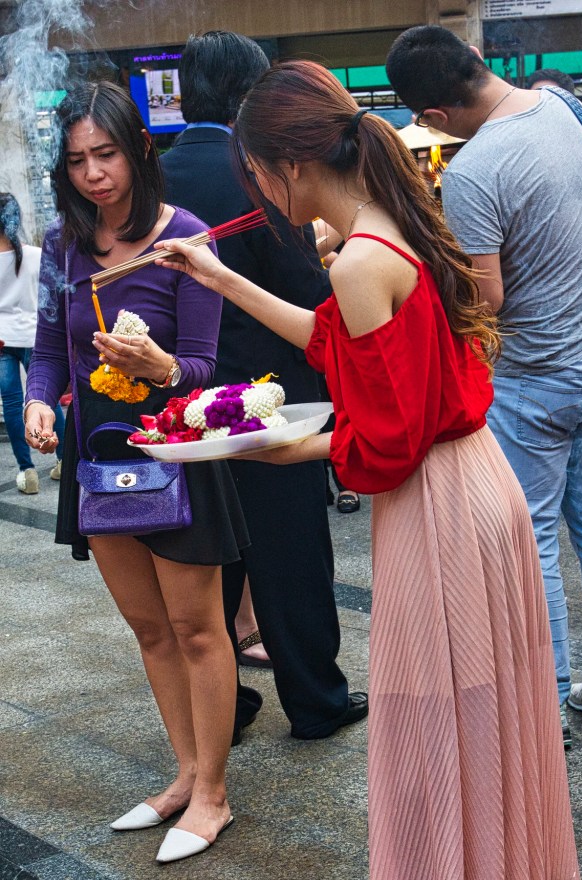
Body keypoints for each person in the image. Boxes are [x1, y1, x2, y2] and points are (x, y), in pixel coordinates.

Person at [156, 58, 582, 880]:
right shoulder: (390, 232)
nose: (258, 194)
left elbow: (382, 443)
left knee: (427, 721)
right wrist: (220, 280)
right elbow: (341, 344)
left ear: (284, 169)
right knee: (483, 711)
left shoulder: (356, 259)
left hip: (433, 502)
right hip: (479, 485)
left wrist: (275, 448)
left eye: (255, 177)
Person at [24, 81, 249, 865]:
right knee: (150, 630)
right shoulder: (62, 243)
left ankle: (215, 794)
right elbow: (52, 345)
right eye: (79, 159)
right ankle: (184, 775)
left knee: (196, 628)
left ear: (140, 149)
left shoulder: (185, 236)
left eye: (107, 154)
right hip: (100, 458)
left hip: (175, 456)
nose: (93, 174)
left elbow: (203, 368)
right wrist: (38, 403)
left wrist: (159, 367)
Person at [386, 26, 582, 745]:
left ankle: (542, 707)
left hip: (532, 381)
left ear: (430, 114)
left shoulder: (474, 171)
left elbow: (483, 298)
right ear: (478, 66)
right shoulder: (569, 112)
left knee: (533, 547)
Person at [160, 31, 367, 743]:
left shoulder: (151, 178)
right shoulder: (259, 171)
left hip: (181, 403)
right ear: (251, 95)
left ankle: (228, 709)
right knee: (289, 553)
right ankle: (314, 699)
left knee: (204, 560)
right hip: (268, 396)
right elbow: (305, 293)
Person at [0, 193, 65, 493]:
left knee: (13, 405)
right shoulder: (38, 255)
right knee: (44, 400)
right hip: (36, 338)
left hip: (2, 341)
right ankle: (63, 459)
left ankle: (27, 473)